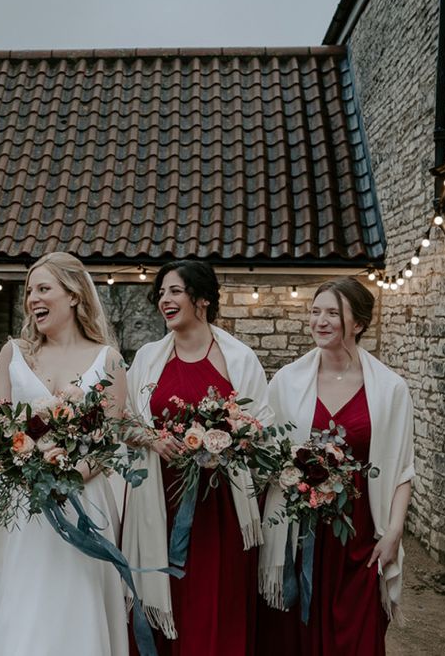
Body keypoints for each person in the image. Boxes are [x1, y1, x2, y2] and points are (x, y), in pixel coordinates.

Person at [0, 252, 129, 656]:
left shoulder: (107, 360)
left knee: (68, 607)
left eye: (43, 289)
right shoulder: (14, 353)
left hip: (78, 500)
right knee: (8, 601)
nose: (32, 299)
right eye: (29, 292)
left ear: (73, 295)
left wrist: (67, 471)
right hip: (13, 502)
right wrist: (16, 461)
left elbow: (108, 443)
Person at [122, 260, 272, 655]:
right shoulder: (147, 359)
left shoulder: (238, 359)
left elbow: (262, 429)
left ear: (201, 299)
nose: (164, 300)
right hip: (159, 501)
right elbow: (123, 424)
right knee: (164, 593)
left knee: (211, 601)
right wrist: (152, 439)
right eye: (161, 293)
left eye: (174, 291)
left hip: (219, 507)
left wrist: (228, 444)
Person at [258, 278, 414, 655]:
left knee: (357, 636)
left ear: (357, 323)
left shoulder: (390, 389)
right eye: (315, 312)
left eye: (332, 313)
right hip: (299, 532)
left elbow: (402, 469)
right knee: (294, 636)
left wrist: (392, 533)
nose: (320, 321)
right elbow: (267, 456)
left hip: (359, 533)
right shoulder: (286, 382)